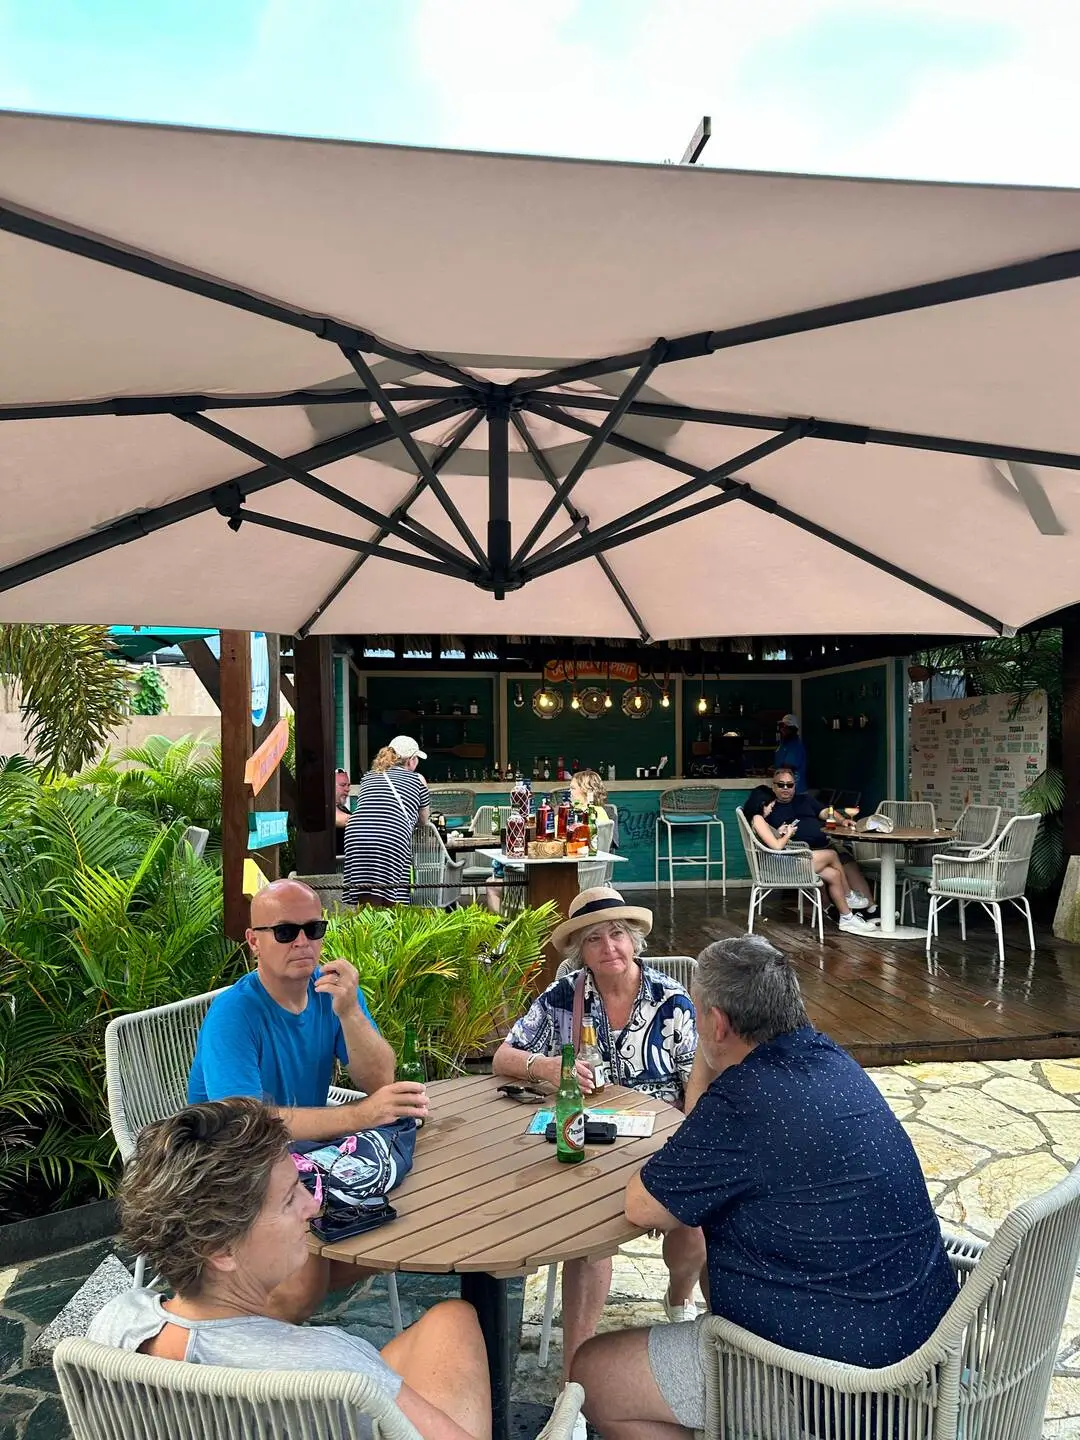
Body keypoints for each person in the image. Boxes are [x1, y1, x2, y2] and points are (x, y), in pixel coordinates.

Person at [572, 936, 958, 1440]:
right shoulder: (833, 1059)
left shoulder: (743, 1100)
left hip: (834, 1385)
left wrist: (707, 1062)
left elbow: (644, 1207)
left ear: (716, 1023)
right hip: (922, 1348)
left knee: (593, 1371)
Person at [88, 1098, 491, 1440]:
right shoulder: (333, 1367)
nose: (312, 1205)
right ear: (220, 1249)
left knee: (451, 1318)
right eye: (288, 1198)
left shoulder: (115, 1323)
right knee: (455, 1324)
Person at [188, 878, 428, 1319]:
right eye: (285, 932)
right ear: (254, 942)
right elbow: (245, 1124)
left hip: (301, 1154)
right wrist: (360, 1116)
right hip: (229, 1160)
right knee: (313, 1270)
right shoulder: (234, 1013)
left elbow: (380, 1080)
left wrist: (350, 1012)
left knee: (397, 1217)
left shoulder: (330, 992)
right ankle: (256, 1324)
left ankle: (273, 1300)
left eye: (313, 929)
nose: (302, 942)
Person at [492, 888, 705, 1384]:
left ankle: (678, 1299)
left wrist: (680, 1150)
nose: (609, 947)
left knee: (694, 1226)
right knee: (590, 1240)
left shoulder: (671, 1000)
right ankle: (576, 1381)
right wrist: (546, 1066)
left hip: (659, 1143)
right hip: (588, 1145)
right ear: (580, 952)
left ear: (634, 942)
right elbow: (504, 1056)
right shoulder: (563, 997)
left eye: (617, 935)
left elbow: (697, 1084)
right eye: (594, 939)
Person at [744, 768, 875, 933]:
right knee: (832, 855)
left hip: (787, 861)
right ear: (763, 802)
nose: (772, 807)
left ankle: (847, 918)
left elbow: (773, 839)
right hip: (783, 866)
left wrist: (781, 831)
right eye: (771, 804)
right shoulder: (758, 818)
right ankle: (848, 896)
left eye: (789, 785)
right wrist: (788, 834)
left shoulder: (762, 818)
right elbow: (777, 846)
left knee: (834, 874)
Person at [343, 737, 431, 906]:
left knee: (365, 894)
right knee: (392, 897)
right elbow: (423, 820)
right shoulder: (418, 780)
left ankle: (368, 922)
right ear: (411, 760)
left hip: (356, 835)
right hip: (390, 835)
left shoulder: (369, 776)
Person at [773, 713, 807, 787]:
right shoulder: (783, 744)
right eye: (782, 726)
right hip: (783, 786)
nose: (783, 729)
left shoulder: (796, 746)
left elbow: (788, 767)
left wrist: (774, 771)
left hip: (795, 789)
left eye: (786, 727)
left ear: (793, 729)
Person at [334, 766, 352, 859]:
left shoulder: (343, 809)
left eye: (348, 785)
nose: (347, 789)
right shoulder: (323, 807)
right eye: (343, 785)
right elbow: (342, 820)